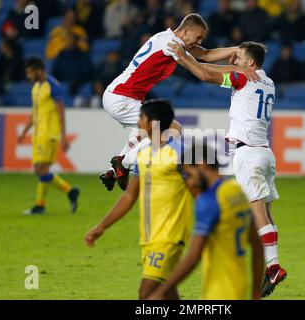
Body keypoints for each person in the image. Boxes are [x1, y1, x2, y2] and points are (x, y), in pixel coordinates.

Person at [168, 40, 287, 297]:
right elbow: (213, 67)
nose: (234, 60)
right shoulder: (268, 82)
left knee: (257, 213)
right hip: (265, 153)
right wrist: (228, 59)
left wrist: (180, 56)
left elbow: (203, 73)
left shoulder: (242, 79)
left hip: (248, 154)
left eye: (239, 57)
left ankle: (274, 266)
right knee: (266, 212)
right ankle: (271, 264)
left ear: (251, 63)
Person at [100, 13, 258, 192]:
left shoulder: (168, 38)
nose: (198, 42)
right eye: (197, 37)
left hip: (120, 95)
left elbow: (205, 55)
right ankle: (124, 163)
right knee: (173, 130)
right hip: (122, 98)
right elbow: (202, 69)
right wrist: (239, 69)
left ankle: (114, 170)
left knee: (141, 133)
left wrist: (237, 49)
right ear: (184, 31)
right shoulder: (172, 45)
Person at [85, 100, 194, 300]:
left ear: (153, 122)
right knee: (168, 293)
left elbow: (201, 192)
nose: (138, 121)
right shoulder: (143, 154)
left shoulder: (181, 154)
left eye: (141, 117)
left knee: (146, 295)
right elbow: (129, 196)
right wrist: (101, 227)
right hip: (149, 235)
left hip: (170, 234)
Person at [148, 143, 264, 300]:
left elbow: (193, 256)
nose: (190, 183)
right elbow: (257, 246)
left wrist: (161, 292)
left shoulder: (209, 201)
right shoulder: (236, 191)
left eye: (189, 174)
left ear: (202, 164)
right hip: (240, 289)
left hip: (219, 294)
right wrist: (256, 291)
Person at [18, 58, 80, 215]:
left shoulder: (53, 86)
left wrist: (64, 135)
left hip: (49, 133)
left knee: (40, 169)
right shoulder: (36, 88)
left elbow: (61, 111)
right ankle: (66, 192)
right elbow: (34, 114)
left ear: (38, 70)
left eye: (30, 72)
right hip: (38, 134)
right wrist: (25, 131)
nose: (28, 76)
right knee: (41, 169)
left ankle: (43, 204)